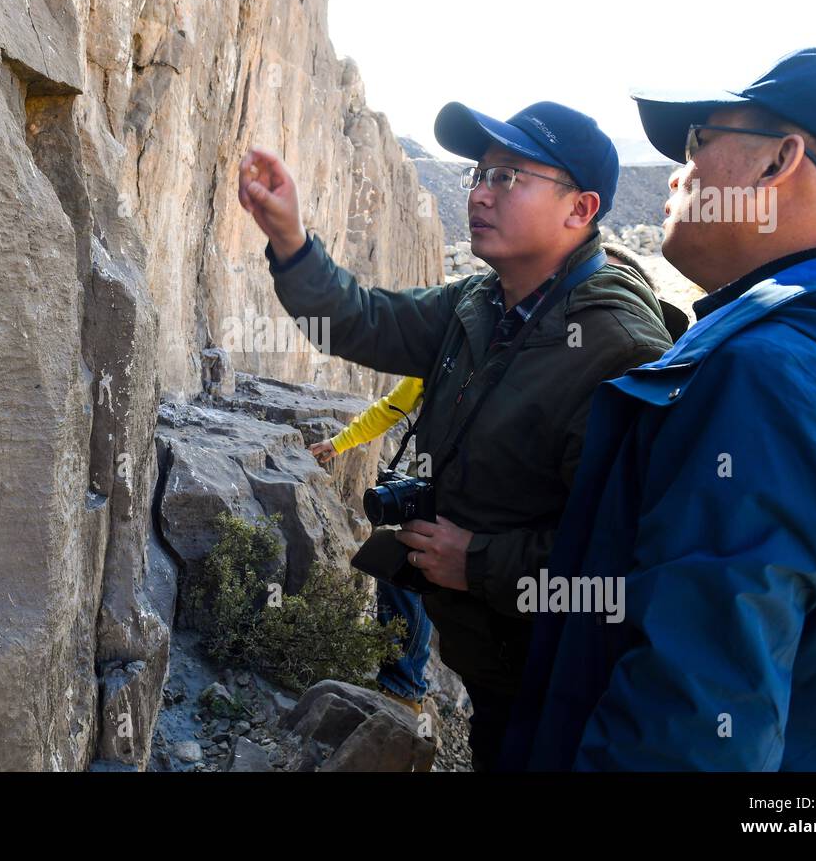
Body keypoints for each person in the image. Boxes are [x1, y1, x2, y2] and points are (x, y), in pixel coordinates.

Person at [501, 47, 816, 770]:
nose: (677, 172)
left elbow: (690, 733)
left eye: (699, 141)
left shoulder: (769, 378)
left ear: (777, 163)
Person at [238, 100, 674, 769]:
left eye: (509, 178)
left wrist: (480, 562)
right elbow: (360, 322)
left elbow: (635, 558)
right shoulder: (481, 301)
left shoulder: (613, 348)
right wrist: (293, 242)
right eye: (480, 173)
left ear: (579, 210)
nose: (480, 192)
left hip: (562, 678)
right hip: (490, 659)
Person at [309, 377, 433, 713]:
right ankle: (401, 688)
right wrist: (340, 442)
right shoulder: (448, 344)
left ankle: (406, 690)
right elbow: (392, 407)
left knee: (420, 579)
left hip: (485, 501)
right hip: (433, 487)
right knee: (402, 573)